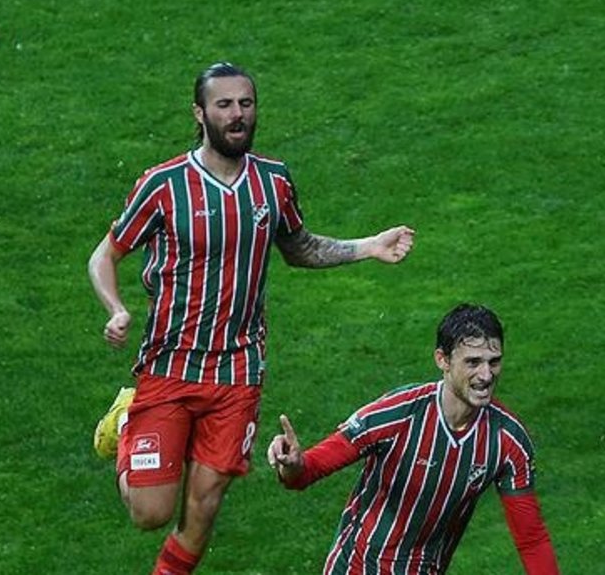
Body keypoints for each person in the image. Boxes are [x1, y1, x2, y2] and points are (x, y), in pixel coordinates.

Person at [87, 61, 416, 575]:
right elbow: (104, 255)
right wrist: (117, 308)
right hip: (171, 364)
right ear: (199, 114)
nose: (237, 114)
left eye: (246, 103)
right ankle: (128, 420)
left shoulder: (273, 182)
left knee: (204, 504)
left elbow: (299, 247)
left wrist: (367, 246)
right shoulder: (163, 185)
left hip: (238, 370)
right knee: (150, 513)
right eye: (224, 105)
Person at [266, 304, 560, 574]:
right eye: (473, 362)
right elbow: (306, 472)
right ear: (442, 360)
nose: (486, 375)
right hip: (356, 568)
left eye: (494, 362)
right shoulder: (397, 414)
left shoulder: (509, 441)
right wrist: (292, 464)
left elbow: (531, 539)